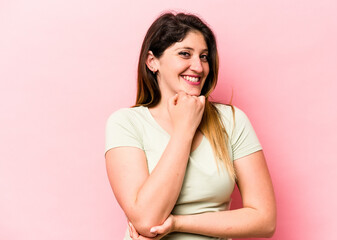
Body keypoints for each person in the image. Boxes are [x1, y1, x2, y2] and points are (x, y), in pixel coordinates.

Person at [105, 12, 276, 240]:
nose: (198, 66)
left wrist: (178, 223)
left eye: (204, 56)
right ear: (152, 61)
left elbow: (265, 220)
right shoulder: (126, 123)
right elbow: (147, 220)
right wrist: (184, 129)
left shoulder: (232, 121)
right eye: (185, 54)